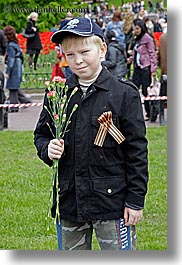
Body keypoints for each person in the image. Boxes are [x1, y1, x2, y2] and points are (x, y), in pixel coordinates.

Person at [34, 17, 148, 251]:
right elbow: (41, 135)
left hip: (112, 202)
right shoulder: (58, 93)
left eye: (85, 51)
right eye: (70, 54)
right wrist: (48, 148)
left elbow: (137, 151)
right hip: (70, 201)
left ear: (102, 49)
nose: (78, 60)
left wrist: (135, 200)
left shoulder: (123, 94)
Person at [128, 18, 157, 121]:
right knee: (133, 89)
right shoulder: (137, 39)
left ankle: (149, 113)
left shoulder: (147, 39)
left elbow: (152, 54)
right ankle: (134, 112)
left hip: (146, 68)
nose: (135, 30)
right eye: (134, 28)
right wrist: (130, 59)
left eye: (137, 28)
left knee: (146, 91)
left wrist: (153, 69)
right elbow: (137, 52)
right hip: (137, 67)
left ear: (141, 28)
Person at [3, 26, 31, 112]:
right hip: (18, 65)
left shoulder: (10, 46)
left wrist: (8, 72)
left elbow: (11, 59)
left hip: (14, 67)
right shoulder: (15, 44)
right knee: (15, 86)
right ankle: (25, 101)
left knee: (12, 87)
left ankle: (14, 107)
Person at [158, 32, 167, 125]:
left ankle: (161, 117)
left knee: (163, 97)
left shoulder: (163, 37)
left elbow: (159, 55)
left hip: (165, 71)